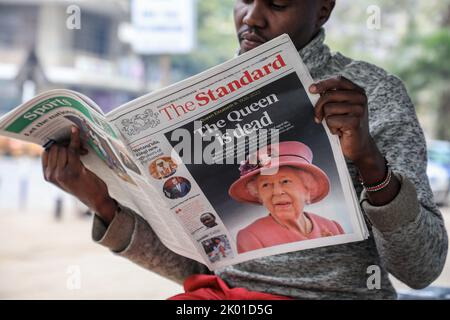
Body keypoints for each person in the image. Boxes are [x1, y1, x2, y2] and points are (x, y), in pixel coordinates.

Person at [41, 0, 448, 299]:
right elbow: (196, 267)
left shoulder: (372, 95)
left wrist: (371, 163)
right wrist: (101, 203)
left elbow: (421, 269)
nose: (251, 17)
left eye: (277, 3)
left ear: (323, 9)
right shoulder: (197, 99)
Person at [229, 141, 344, 253]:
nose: (277, 192)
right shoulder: (250, 237)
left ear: (307, 188)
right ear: (259, 196)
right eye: (266, 185)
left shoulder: (333, 227)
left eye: (285, 181)